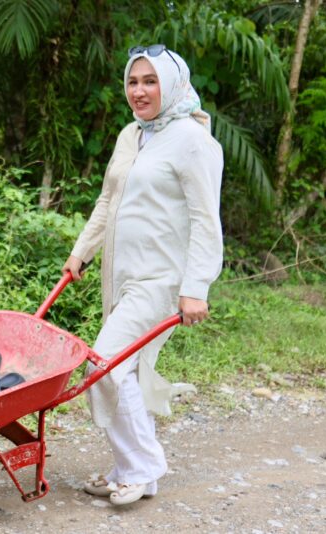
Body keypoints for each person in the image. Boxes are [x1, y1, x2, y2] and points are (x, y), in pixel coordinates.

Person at [62, 45, 223, 505]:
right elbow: (107, 202)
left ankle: (145, 466)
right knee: (118, 369)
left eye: (150, 81)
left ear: (171, 84)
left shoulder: (193, 141)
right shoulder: (132, 135)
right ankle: (129, 469)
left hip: (161, 279)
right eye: (133, 82)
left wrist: (195, 289)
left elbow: (206, 220)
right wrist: (81, 253)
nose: (139, 91)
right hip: (122, 275)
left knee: (106, 363)